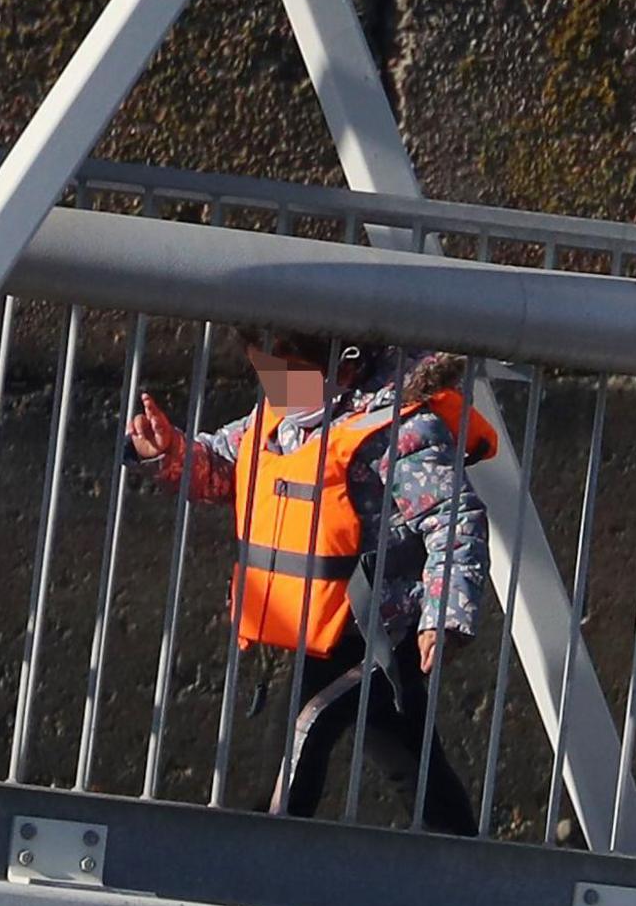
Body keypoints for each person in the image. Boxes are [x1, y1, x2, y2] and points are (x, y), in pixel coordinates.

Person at [126, 326, 495, 837]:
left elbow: (453, 518)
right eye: (267, 377)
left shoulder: (400, 430)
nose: (280, 393)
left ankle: (262, 854)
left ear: (342, 365)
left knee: (304, 729)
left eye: (292, 378)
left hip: (381, 633)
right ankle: (464, 862)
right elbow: (224, 468)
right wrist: (167, 453)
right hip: (323, 630)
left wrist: (444, 615)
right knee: (411, 760)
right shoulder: (277, 420)